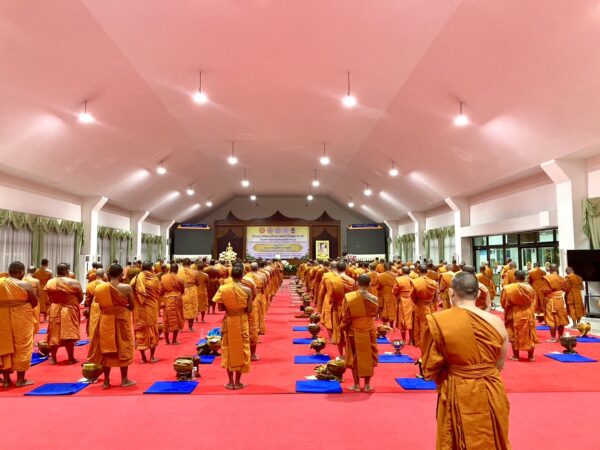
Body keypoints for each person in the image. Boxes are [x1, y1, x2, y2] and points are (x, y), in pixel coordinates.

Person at [422, 272, 511, 450]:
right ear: (478, 294)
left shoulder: (440, 321)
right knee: (491, 439)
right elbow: (499, 364)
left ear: (451, 293)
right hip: (491, 388)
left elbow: (430, 366)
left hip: (457, 388)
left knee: (455, 440)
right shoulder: (496, 322)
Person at [87, 264, 136, 389]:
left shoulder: (99, 288)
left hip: (105, 321)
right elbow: (132, 306)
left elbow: (99, 305)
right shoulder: (126, 288)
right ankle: (124, 379)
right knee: (123, 346)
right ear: (121, 275)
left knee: (106, 348)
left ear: (108, 275)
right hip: (121, 320)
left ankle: (106, 381)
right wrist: (120, 308)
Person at [213, 265, 253, 390]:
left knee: (228, 348)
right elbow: (249, 309)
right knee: (241, 348)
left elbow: (220, 307)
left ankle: (230, 382)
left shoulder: (223, 289)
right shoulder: (247, 290)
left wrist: (230, 307)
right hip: (241, 320)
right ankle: (238, 381)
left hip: (229, 319)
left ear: (230, 276)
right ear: (242, 276)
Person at [0, 262, 38, 387]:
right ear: (21, 271)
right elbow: (34, 302)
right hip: (21, 318)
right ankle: (20, 380)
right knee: (22, 346)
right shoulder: (25, 285)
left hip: (2, 318)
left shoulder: (1, 282)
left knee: (4, 345)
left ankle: (6, 380)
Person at [340, 274, 378, 392]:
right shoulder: (374, 299)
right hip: (370, 329)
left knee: (354, 356)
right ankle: (367, 385)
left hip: (354, 329)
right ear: (369, 284)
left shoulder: (350, 298)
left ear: (357, 283)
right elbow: (375, 314)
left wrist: (343, 327)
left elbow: (346, 316)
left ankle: (356, 385)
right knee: (369, 356)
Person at [45, 263, 82, 365]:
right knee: (69, 333)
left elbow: (50, 297)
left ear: (57, 271)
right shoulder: (74, 282)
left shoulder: (50, 282)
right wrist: (71, 302)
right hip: (70, 309)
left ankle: (54, 358)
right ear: (67, 271)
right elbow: (80, 298)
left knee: (54, 334)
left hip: (55, 309)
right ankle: (71, 358)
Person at [502, 270, 538, 361]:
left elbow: (504, 303)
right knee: (529, 333)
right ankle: (530, 356)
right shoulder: (530, 288)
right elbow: (534, 301)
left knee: (514, 333)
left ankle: (516, 356)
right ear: (524, 278)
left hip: (515, 312)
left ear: (515, 278)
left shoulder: (510, 288)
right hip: (528, 312)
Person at [130, 261, 161, 363]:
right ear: (151, 268)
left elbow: (131, 293)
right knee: (152, 330)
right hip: (151, 308)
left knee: (141, 331)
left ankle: (143, 357)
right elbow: (158, 292)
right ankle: (152, 357)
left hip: (139, 310)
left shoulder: (135, 279)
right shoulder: (154, 279)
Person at [410, 265, 437, 350]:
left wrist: (417, 302)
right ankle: (429, 344)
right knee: (428, 326)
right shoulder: (433, 282)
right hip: (430, 307)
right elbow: (436, 297)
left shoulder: (415, 282)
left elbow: (412, 296)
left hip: (419, 307)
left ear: (418, 271)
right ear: (427, 271)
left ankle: (421, 344)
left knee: (419, 326)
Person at [542, 264, 569, 343]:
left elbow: (545, 290)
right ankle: (560, 337)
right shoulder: (562, 278)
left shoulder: (547, 278)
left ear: (550, 269)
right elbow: (566, 289)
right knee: (561, 318)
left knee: (551, 319)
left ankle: (553, 338)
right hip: (560, 300)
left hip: (551, 300)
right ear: (557, 269)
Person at [160, 263, 185, 345]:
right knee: (177, 318)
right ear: (177, 270)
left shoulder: (163, 278)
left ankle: (167, 340)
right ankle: (174, 340)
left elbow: (161, 291)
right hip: (177, 299)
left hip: (167, 299)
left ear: (170, 269)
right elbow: (182, 291)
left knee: (166, 319)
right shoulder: (179, 280)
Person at [178, 258, 201, 331]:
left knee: (182, 308)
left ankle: (180, 328)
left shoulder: (179, 272)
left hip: (182, 291)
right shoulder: (195, 272)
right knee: (192, 307)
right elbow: (198, 283)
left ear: (182, 264)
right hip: (192, 291)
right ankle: (190, 328)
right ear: (190, 264)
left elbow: (177, 282)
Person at [392, 266, 414, 344]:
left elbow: (394, 291)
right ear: (409, 272)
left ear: (402, 272)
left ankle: (404, 340)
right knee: (411, 320)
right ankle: (411, 340)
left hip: (402, 302)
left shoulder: (399, 280)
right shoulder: (413, 280)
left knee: (402, 321)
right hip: (411, 301)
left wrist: (399, 296)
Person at [84, 268, 106, 337]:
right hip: (104, 306)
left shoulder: (89, 285)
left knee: (93, 322)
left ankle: (92, 336)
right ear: (103, 275)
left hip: (93, 306)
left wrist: (87, 305)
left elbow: (88, 300)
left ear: (95, 275)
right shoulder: (107, 285)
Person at [377, 262, 397, 328]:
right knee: (392, 309)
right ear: (391, 268)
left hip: (384, 294)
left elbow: (378, 287)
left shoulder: (380, 276)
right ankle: (391, 324)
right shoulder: (396, 275)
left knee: (383, 309)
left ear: (384, 268)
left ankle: (384, 324)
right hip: (393, 295)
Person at [23, 266, 43, 335]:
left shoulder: (22, 279)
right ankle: (32, 337)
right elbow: (39, 294)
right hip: (34, 303)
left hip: (24, 303)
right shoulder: (36, 281)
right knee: (35, 321)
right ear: (35, 272)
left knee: (25, 321)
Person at [33, 258, 52, 323]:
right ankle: (45, 318)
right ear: (47, 264)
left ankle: (38, 318)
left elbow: (34, 280)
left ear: (41, 264)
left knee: (38, 303)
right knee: (47, 303)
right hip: (46, 289)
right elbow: (51, 281)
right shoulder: (49, 272)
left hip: (38, 288)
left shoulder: (36, 272)